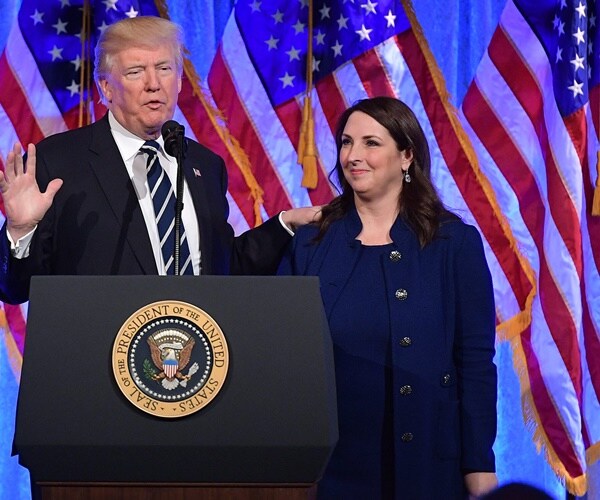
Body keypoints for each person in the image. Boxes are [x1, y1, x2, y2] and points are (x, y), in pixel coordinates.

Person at [0, 16, 317, 305]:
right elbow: (15, 289)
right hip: (97, 358)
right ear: (106, 87)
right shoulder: (58, 163)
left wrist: (284, 224)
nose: (154, 83)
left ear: (179, 81)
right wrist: (20, 231)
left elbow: (220, 269)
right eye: (136, 72)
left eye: (164, 69)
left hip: (194, 356)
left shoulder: (204, 165)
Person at [278, 97, 498, 499]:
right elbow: (284, 356)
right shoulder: (311, 243)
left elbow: (476, 362)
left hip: (426, 464)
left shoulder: (453, 243)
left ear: (406, 156)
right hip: (331, 470)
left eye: (370, 143)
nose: (353, 156)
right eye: (346, 143)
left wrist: (479, 464)